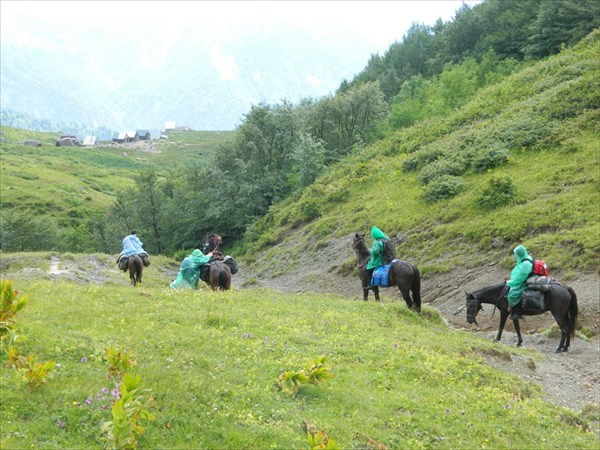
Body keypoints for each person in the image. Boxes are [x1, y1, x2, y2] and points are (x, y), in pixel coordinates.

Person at [506, 244, 534, 320]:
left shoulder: (525, 264)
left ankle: (516, 312)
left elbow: (520, 278)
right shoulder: (527, 258)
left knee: (512, 294)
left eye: (516, 254)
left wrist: (510, 282)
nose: (515, 256)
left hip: (525, 281)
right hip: (529, 277)